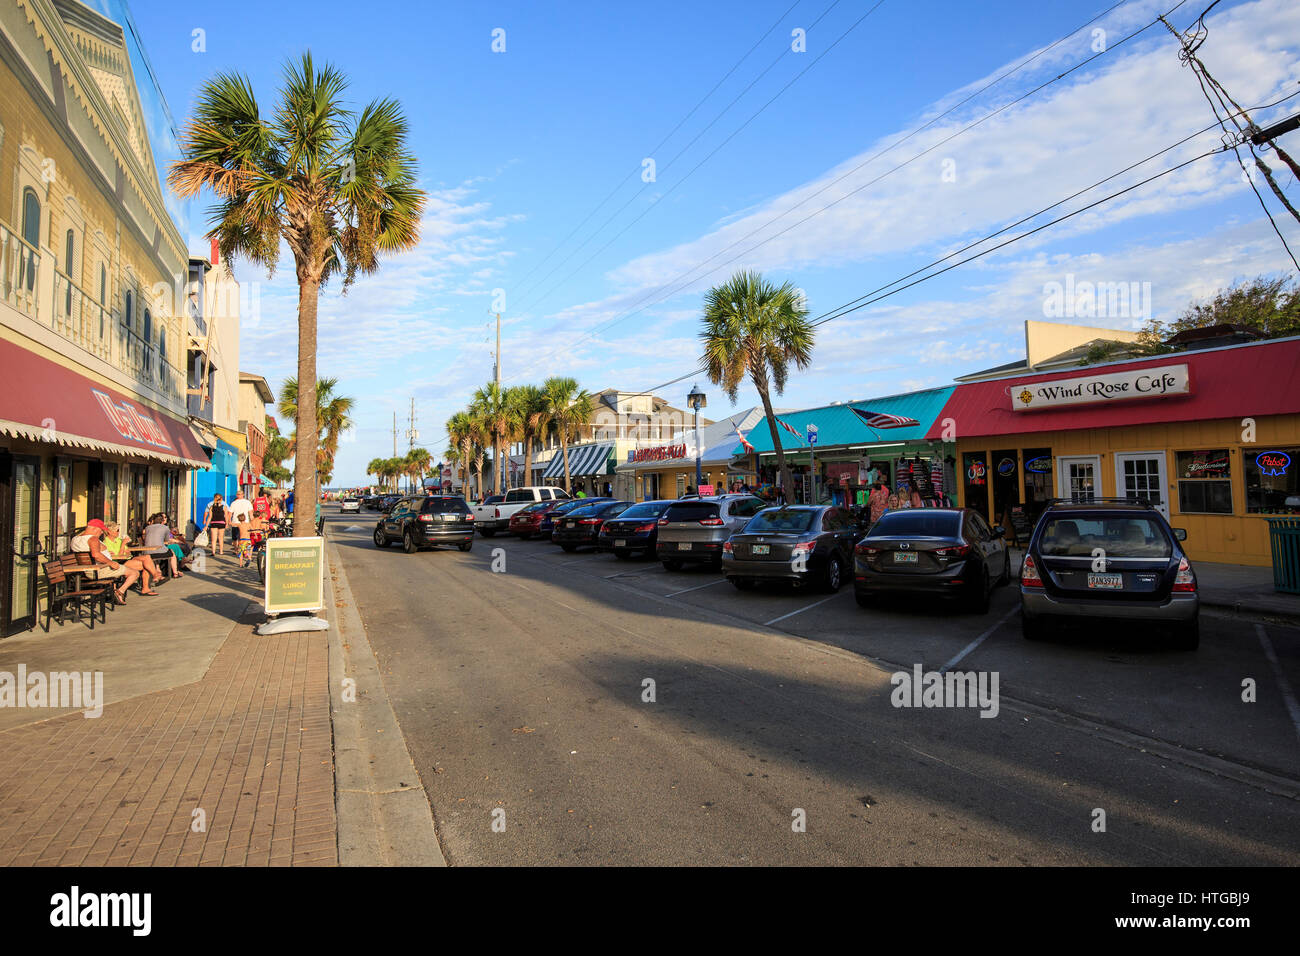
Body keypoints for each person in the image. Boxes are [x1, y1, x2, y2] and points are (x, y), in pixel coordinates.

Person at [71, 519, 143, 604]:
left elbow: (92, 554)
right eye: (101, 530)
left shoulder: (75, 539)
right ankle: (119, 592)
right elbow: (96, 555)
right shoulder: (92, 539)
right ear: (95, 528)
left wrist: (106, 553)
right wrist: (111, 563)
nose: (102, 532)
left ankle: (115, 591)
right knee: (134, 573)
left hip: (86, 570)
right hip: (98, 570)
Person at [100, 520, 162, 592]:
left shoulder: (118, 540)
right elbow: (118, 556)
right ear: (109, 532)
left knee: (147, 558)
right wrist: (123, 545)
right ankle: (148, 584)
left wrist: (124, 550)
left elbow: (128, 553)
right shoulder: (106, 543)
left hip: (127, 559)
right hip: (118, 563)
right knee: (147, 564)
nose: (118, 532)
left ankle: (153, 576)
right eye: (117, 530)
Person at [142, 514, 181, 578]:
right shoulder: (165, 528)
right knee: (172, 553)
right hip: (159, 551)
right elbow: (167, 540)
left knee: (155, 554)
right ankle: (175, 573)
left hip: (147, 552)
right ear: (162, 521)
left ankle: (158, 569)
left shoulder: (147, 528)